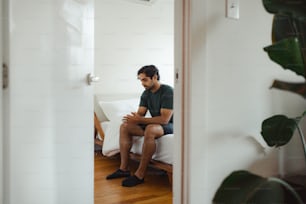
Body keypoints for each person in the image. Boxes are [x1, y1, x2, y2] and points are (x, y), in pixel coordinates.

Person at [106, 65, 174, 187]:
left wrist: (140, 119)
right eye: (140, 80)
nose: (142, 83)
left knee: (151, 129)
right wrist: (134, 119)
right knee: (125, 126)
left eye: (144, 80)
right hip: (156, 124)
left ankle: (140, 174)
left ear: (154, 77)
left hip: (171, 125)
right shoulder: (146, 93)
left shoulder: (168, 91)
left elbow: (164, 119)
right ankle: (124, 169)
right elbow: (140, 114)